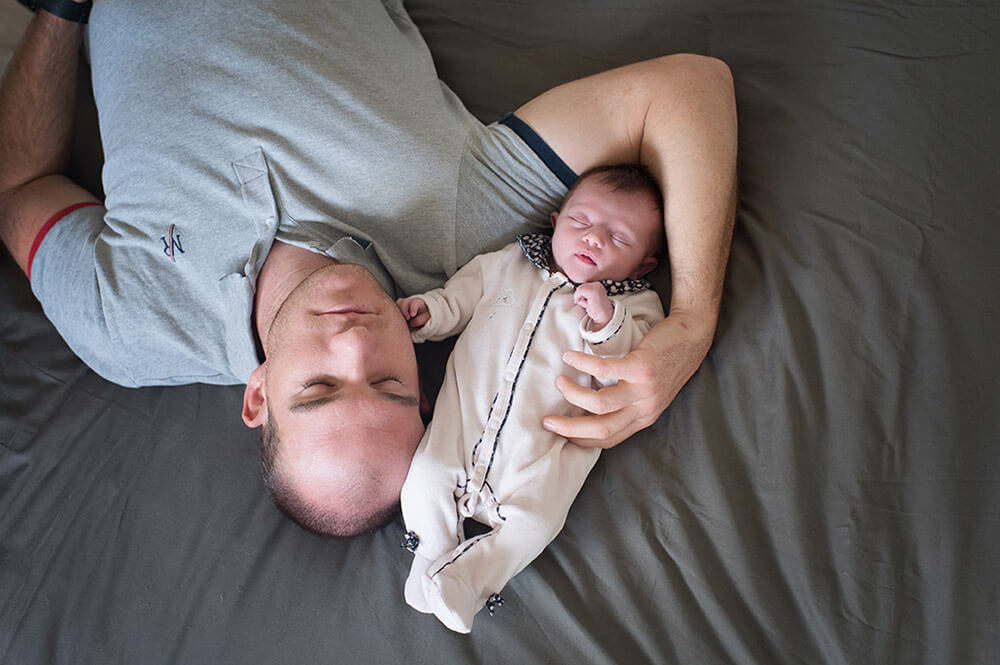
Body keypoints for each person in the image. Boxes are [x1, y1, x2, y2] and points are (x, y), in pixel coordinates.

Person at [0, 1, 737, 537]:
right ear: (422, 389)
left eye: (318, 387)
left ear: (258, 396)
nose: (355, 343)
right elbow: (687, 89)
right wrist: (692, 320)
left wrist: (62, 13)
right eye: (387, 382)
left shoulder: (130, 329)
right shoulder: (463, 226)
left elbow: (20, 189)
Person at [396, 164, 666, 633]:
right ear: (557, 220)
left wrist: (606, 321)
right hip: (462, 429)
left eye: (619, 238)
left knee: (537, 525)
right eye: (581, 222)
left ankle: (470, 578)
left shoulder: (639, 308)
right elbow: (458, 298)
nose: (594, 239)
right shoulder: (507, 264)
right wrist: (429, 313)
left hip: (541, 456)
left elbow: (635, 364)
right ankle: (432, 553)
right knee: (425, 476)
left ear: (643, 266)